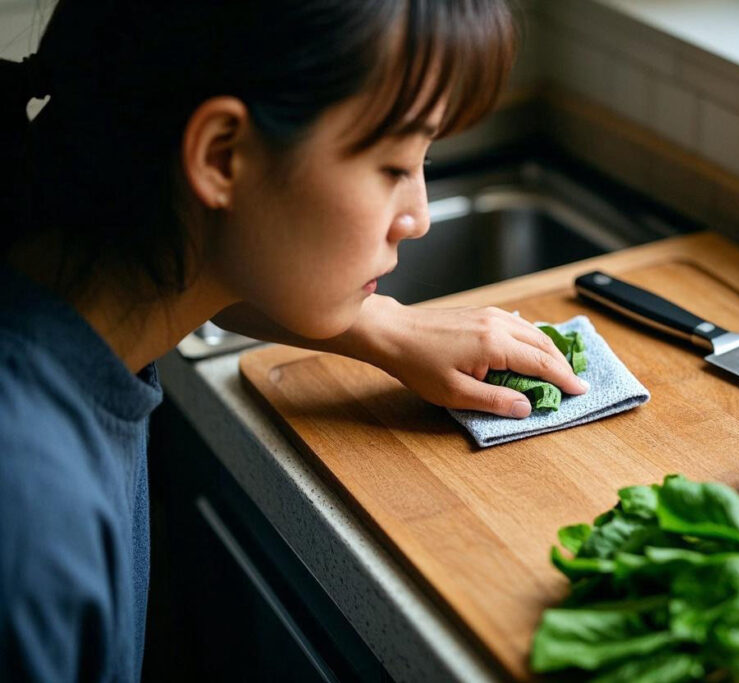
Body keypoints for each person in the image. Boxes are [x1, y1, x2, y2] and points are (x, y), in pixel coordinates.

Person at [0, 1, 589, 680]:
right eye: (395, 166)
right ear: (223, 155)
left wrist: (381, 324)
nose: (419, 217)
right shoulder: (30, 509)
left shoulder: (65, 248)